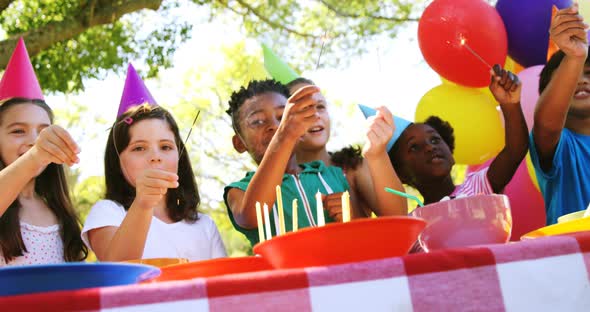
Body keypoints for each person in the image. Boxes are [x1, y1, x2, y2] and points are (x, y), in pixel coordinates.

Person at [82, 64, 226, 261]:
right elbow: (117, 270)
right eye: (139, 148)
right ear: (117, 161)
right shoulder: (108, 212)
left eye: (166, 147)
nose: (155, 156)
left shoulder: (204, 225)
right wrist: (143, 204)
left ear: (180, 156)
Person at [224, 79, 356, 246]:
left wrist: (351, 219)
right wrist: (284, 136)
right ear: (239, 143)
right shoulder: (239, 190)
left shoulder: (333, 175)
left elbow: (364, 236)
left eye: (282, 117)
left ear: (301, 129)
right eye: (257, 121)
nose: (275, 126)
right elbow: (251, 215)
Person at [387, 65, 528, 205]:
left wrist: (510, 104)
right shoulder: (415, 222)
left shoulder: (479, 185)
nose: (430, 148)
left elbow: (514, 151)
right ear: (401, 174)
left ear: (451, 152)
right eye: (414, 147)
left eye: (435, 140)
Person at [0, 38, 87, 265]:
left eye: (42, 132)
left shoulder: (59, 212)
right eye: (18, 131)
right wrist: (36, 155)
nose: (33, 141)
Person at [286, 77, 407, 218]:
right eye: (303, 109)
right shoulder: (275, 182)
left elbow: (398, 217)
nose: (315, 114)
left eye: (320, 106)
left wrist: (377, 155)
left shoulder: (352, 166)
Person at [530, 3, 590, 224]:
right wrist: (574, 57)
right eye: (571, 77)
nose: (581, 80)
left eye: (588, 73)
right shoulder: (563, 147)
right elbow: (545, 125)